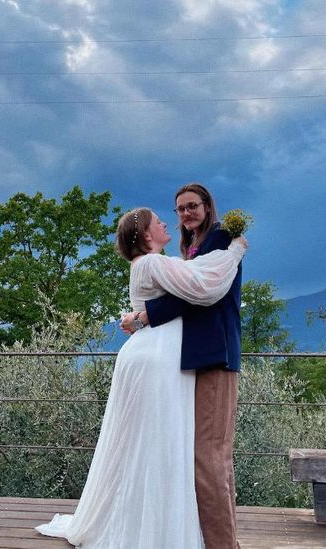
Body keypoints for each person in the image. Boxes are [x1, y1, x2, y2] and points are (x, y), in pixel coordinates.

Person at [36, 208, 247, 547]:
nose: (167, 223)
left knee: (148, 441)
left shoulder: (149, 264)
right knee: (159, 442)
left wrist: (143, 316)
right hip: (157, 358)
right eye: (159, 221)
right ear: (147, 235)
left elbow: (194, 279)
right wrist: (235, 249)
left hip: (151, 353)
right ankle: (154, 529)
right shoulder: (151, 263)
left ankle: (148, 520)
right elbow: (205, 284)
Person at [119, 183, 243, 549]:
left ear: (207, 207)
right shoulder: (190, 249)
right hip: (195, 357)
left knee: (208, 456)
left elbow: (201, 294)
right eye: (179, 209)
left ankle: (222, 544)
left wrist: (144, 315)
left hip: (214, 353)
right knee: (212, 455)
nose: (185, 214)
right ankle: (219, 539)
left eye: (192, 206)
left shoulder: (220, 237)